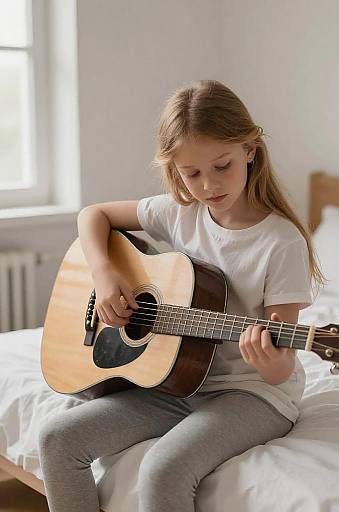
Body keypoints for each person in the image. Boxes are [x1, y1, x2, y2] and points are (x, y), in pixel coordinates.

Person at [38, 79, 323, 512]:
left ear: (250, 149)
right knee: (57, 439)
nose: (208, 185)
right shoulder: (178, 212)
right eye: (191, 173)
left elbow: (280, 367)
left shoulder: (281, 243)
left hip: (252, 394)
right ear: (175, 169)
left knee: (162, 468)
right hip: (176, 381)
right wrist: (105, 274)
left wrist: (270, 361)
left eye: (222, 165)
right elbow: (92, 215)